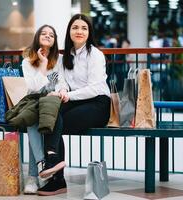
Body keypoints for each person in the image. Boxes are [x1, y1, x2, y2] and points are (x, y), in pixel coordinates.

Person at [37, 13, 110, 196]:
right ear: (69, 31)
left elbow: (94, 89)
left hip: (98, 104)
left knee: (55, 122)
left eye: (84, 28)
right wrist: (62, 91)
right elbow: (62, 81)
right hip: (76, 100)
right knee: (50, 115)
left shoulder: (95, 55)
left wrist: (68, 95)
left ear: (89, 32)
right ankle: (54, 166)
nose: (79, 31)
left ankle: (56, 174)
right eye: (75, 27)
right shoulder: (65, 57)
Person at [21, 24, 66, 195]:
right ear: (37, 37)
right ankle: (41, 168)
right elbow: (32, 89)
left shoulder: (60, 60)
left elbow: (62, 81)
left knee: (37, 118)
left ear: (54, 41)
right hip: (34, 102)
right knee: (33, 118)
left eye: (51, 35)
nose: (48, 36)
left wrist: (62, 90)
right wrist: (43, 64)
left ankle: (34, 175)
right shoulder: (27, 61)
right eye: (44, 33)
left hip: (53, 104)